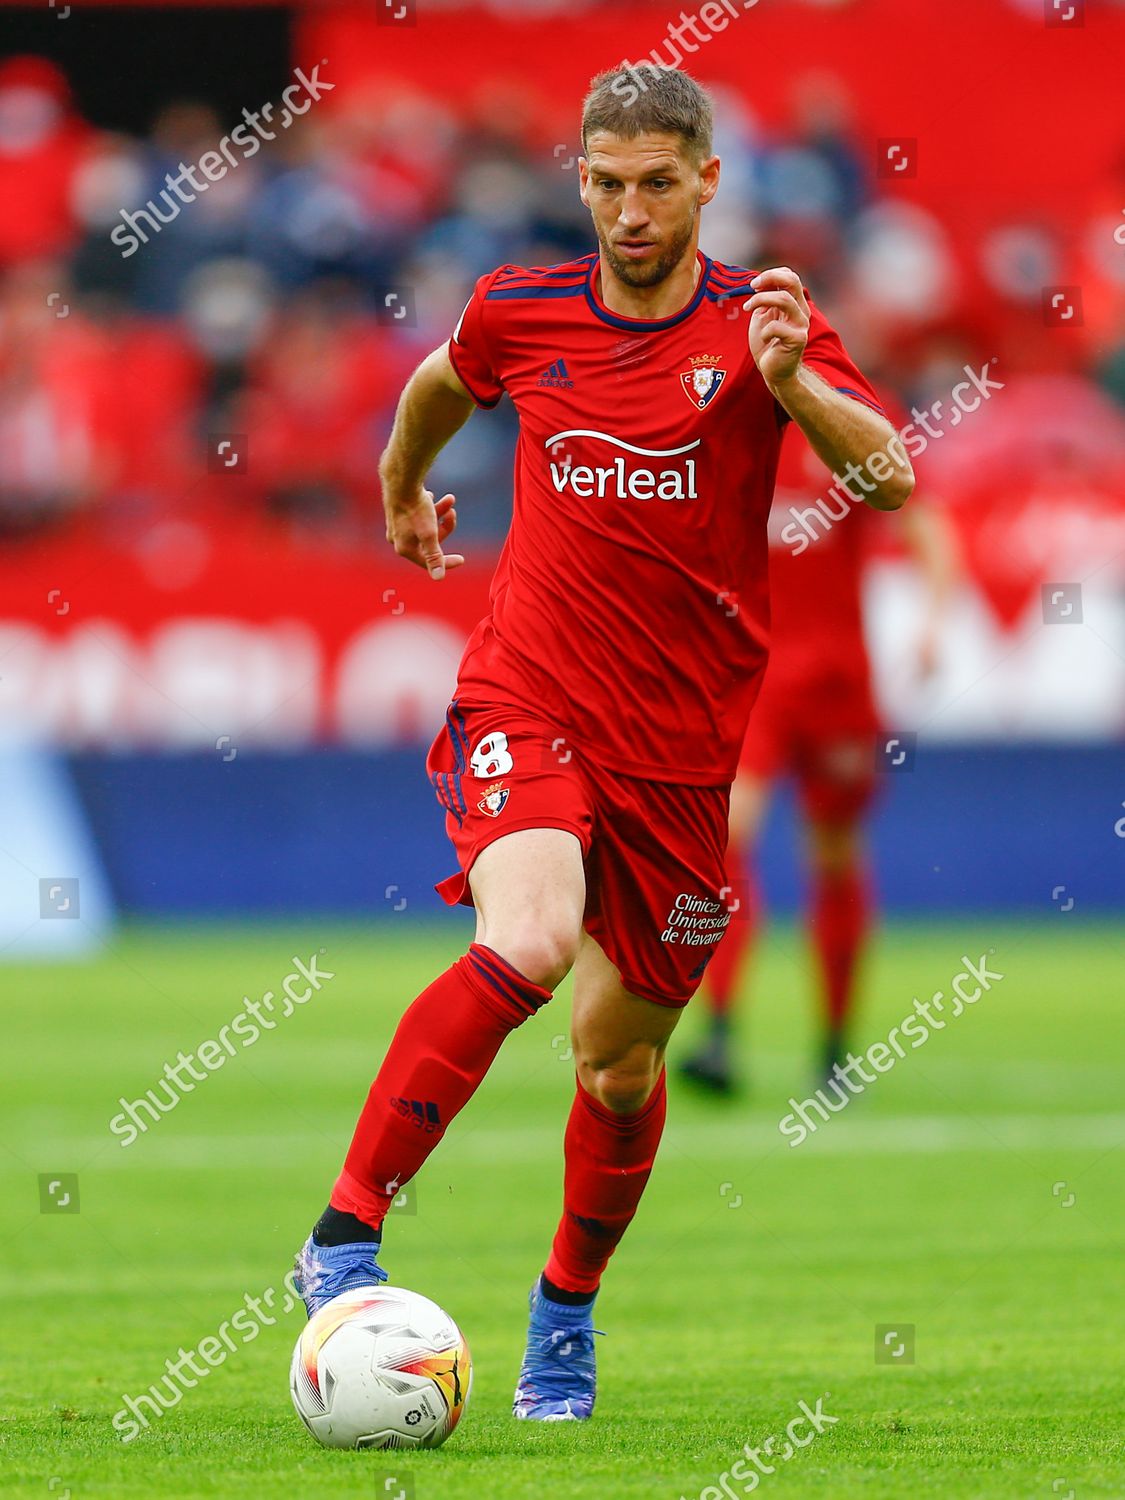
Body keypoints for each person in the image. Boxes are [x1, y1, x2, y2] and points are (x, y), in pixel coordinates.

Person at [292, 64, 913, 1423]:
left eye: (656, 184)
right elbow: (441, 383)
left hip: (685, 746)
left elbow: (892, 474)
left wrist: (794, 386)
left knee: (620, 1069)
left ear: (703, 182)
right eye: (607, 183)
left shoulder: (767, 321)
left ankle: (562, 1309)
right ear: (582, 180)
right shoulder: (523, 308)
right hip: (533, 690)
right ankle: (343, 1231)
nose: (630, 211)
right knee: (522, 937)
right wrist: (402, 493)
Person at [681, 419, 955, 1094]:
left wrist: (931, 622)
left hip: (837, 685)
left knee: (832, 852)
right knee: (725, 840)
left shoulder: (851, 420)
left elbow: (926, 526)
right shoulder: (724, 421)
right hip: (753, 677)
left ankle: (833, 1048)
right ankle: (718, 1032)